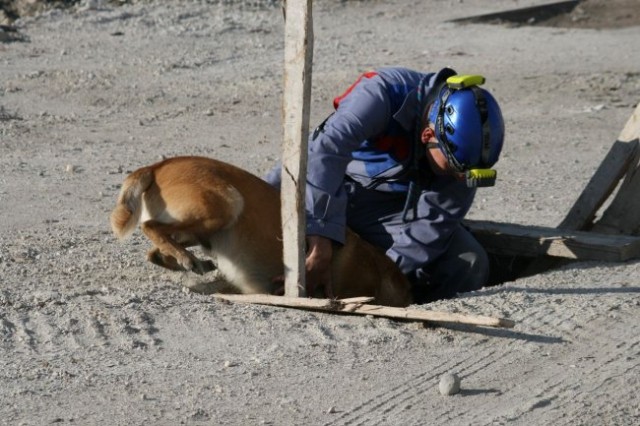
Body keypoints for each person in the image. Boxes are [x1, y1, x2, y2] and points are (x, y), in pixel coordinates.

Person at [265, 67, 505, 303]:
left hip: (383, 208)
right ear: (428, 135)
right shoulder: (383, 93)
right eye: (453, 169)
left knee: (468, 261)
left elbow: (432, 224)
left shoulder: (467, 153)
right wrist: (321, 238)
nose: (459, 180)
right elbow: (324, 154)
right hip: (320, 184)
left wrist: (376, 280)